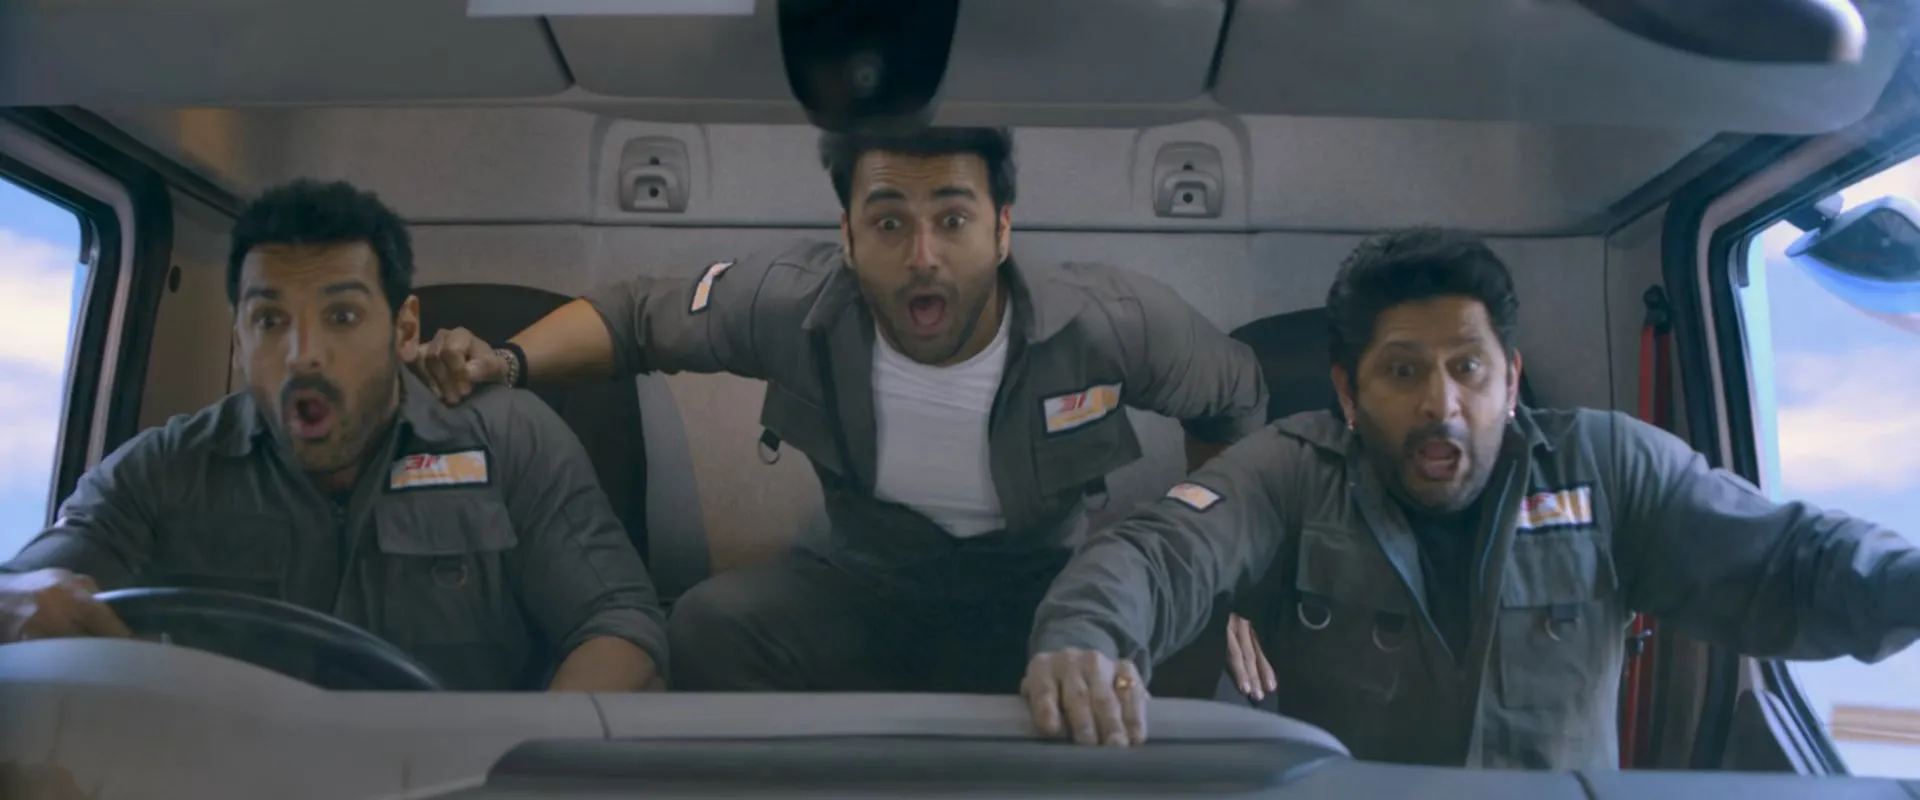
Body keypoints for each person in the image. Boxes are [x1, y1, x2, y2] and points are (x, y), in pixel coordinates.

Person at [407, 127, 1269, 693]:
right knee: (705, 628)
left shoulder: (1110, 321)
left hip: (1047, 588)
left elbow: (1236, 396)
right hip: (867, 587)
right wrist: (507, 361)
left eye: (953, 220)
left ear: (1002, 231)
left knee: (1196, 626)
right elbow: (635, 316)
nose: (922, 256)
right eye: (889, 224)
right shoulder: (792, 305)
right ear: (848, 237)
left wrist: (1217, 572)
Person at [1020, 227, 1920, 768]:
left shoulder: (1608, 467)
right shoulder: (1292, 471)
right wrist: (1083, 640)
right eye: (1403, 371)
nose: (1441, 403)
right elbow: (1157, 551)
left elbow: (1792, 560)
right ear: (1347, 393)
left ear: (1511, 380)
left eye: (1468, 368)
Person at [0, 178, 668, 693]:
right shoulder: (164, 468)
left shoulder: (510, 439)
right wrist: (15, 601)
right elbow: (26, 588)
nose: (303, 355)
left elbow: (620, 627)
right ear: (238, 341)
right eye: (270, 321)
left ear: (404, 330)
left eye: (342, 316)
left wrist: (526, 774)